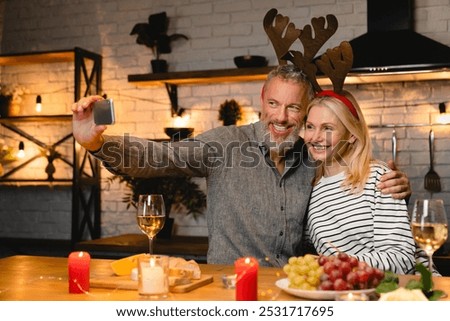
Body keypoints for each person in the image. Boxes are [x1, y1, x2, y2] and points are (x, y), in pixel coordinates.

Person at [71, 64, 411, 267]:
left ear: (307, 110)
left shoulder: (314, 157)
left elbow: (357, 167)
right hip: (228, 292)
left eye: (293, 108)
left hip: (290, 295)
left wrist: (395, 184)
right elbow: (160, 157)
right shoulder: (224, 144)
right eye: (274, 103)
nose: (280, 117)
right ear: (261, 100)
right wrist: (96, 143)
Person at [302, 90, 421, 274]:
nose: (315, 137)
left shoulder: (379, 178)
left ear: (351, 134)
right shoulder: (310, 188)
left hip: (402, 292)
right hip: (349, 293)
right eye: (310, 126)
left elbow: (401, 258)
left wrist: (335, 264)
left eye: (327, 128)